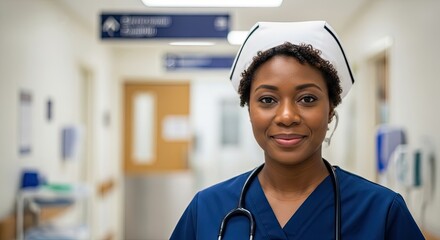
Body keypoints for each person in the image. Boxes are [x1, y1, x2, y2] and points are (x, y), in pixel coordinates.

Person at [170, 21, 424, 239]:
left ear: (330, 109)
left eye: (307, 99)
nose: (287, 116)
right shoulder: (206, 209)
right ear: (249, 111)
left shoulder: (382, 212)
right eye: (268, 100)